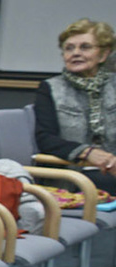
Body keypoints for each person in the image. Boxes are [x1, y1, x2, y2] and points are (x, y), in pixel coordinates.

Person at [34, 19, 116, 193]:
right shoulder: (50, 88)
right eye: (69, 48)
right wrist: (87, 152)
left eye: (85, 47)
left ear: (103, 55)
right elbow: (45, 139)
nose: (75, 53)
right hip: (73, 173)